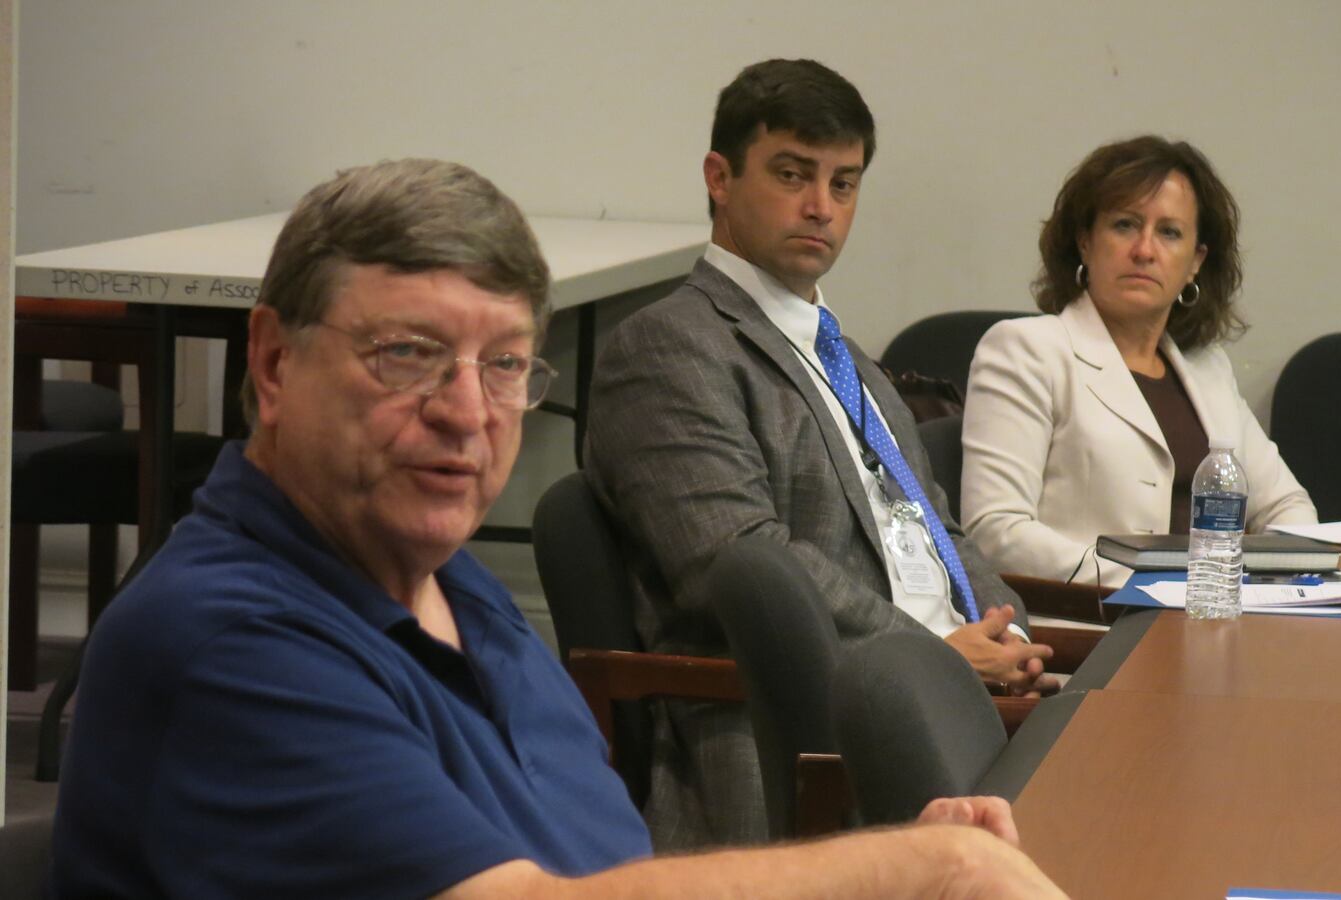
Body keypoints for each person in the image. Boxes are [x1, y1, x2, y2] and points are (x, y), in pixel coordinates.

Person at [49, 158, 1067, 900]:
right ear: (271, 363)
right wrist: (917, 872)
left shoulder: (456, 593)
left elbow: (607, 879)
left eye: (503, 366)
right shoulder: (228, 638)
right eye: (407, 354)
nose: (466, 411)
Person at [583, 58, 1055, 850]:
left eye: (843, 184)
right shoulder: (670, 345)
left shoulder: (846, 356)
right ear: (720, 178)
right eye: (793, 174)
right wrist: (931, 654)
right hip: (804, 729)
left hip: (951, 697)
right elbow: (736, 563)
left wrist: (1004, 627)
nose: (820, 207)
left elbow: (937, 525)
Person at [961, 135, 1317, 588]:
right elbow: (996, 533)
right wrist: (1162, 581)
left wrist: (1262, 582)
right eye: (1125, 225)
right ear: (1086, 241)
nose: (1145, 250)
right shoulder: (1025, 350)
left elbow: (1289, 507)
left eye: (1169, 232)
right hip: (1089, 627)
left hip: (1213, 618)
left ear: (1195, 262)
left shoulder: (1208, 369)